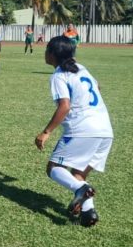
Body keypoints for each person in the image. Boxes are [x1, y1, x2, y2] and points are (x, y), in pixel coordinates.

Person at [34, 36, 113, 227]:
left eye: (47, 49)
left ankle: (81, 190)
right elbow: (97, 87)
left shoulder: (59, 75)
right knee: (78, 173)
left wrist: (46, 132)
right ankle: (88, 213)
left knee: (53, 168)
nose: (45, 53)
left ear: (53, 54)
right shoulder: (81, 68)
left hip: (82, 129)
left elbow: (65, 106)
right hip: (105, 130)